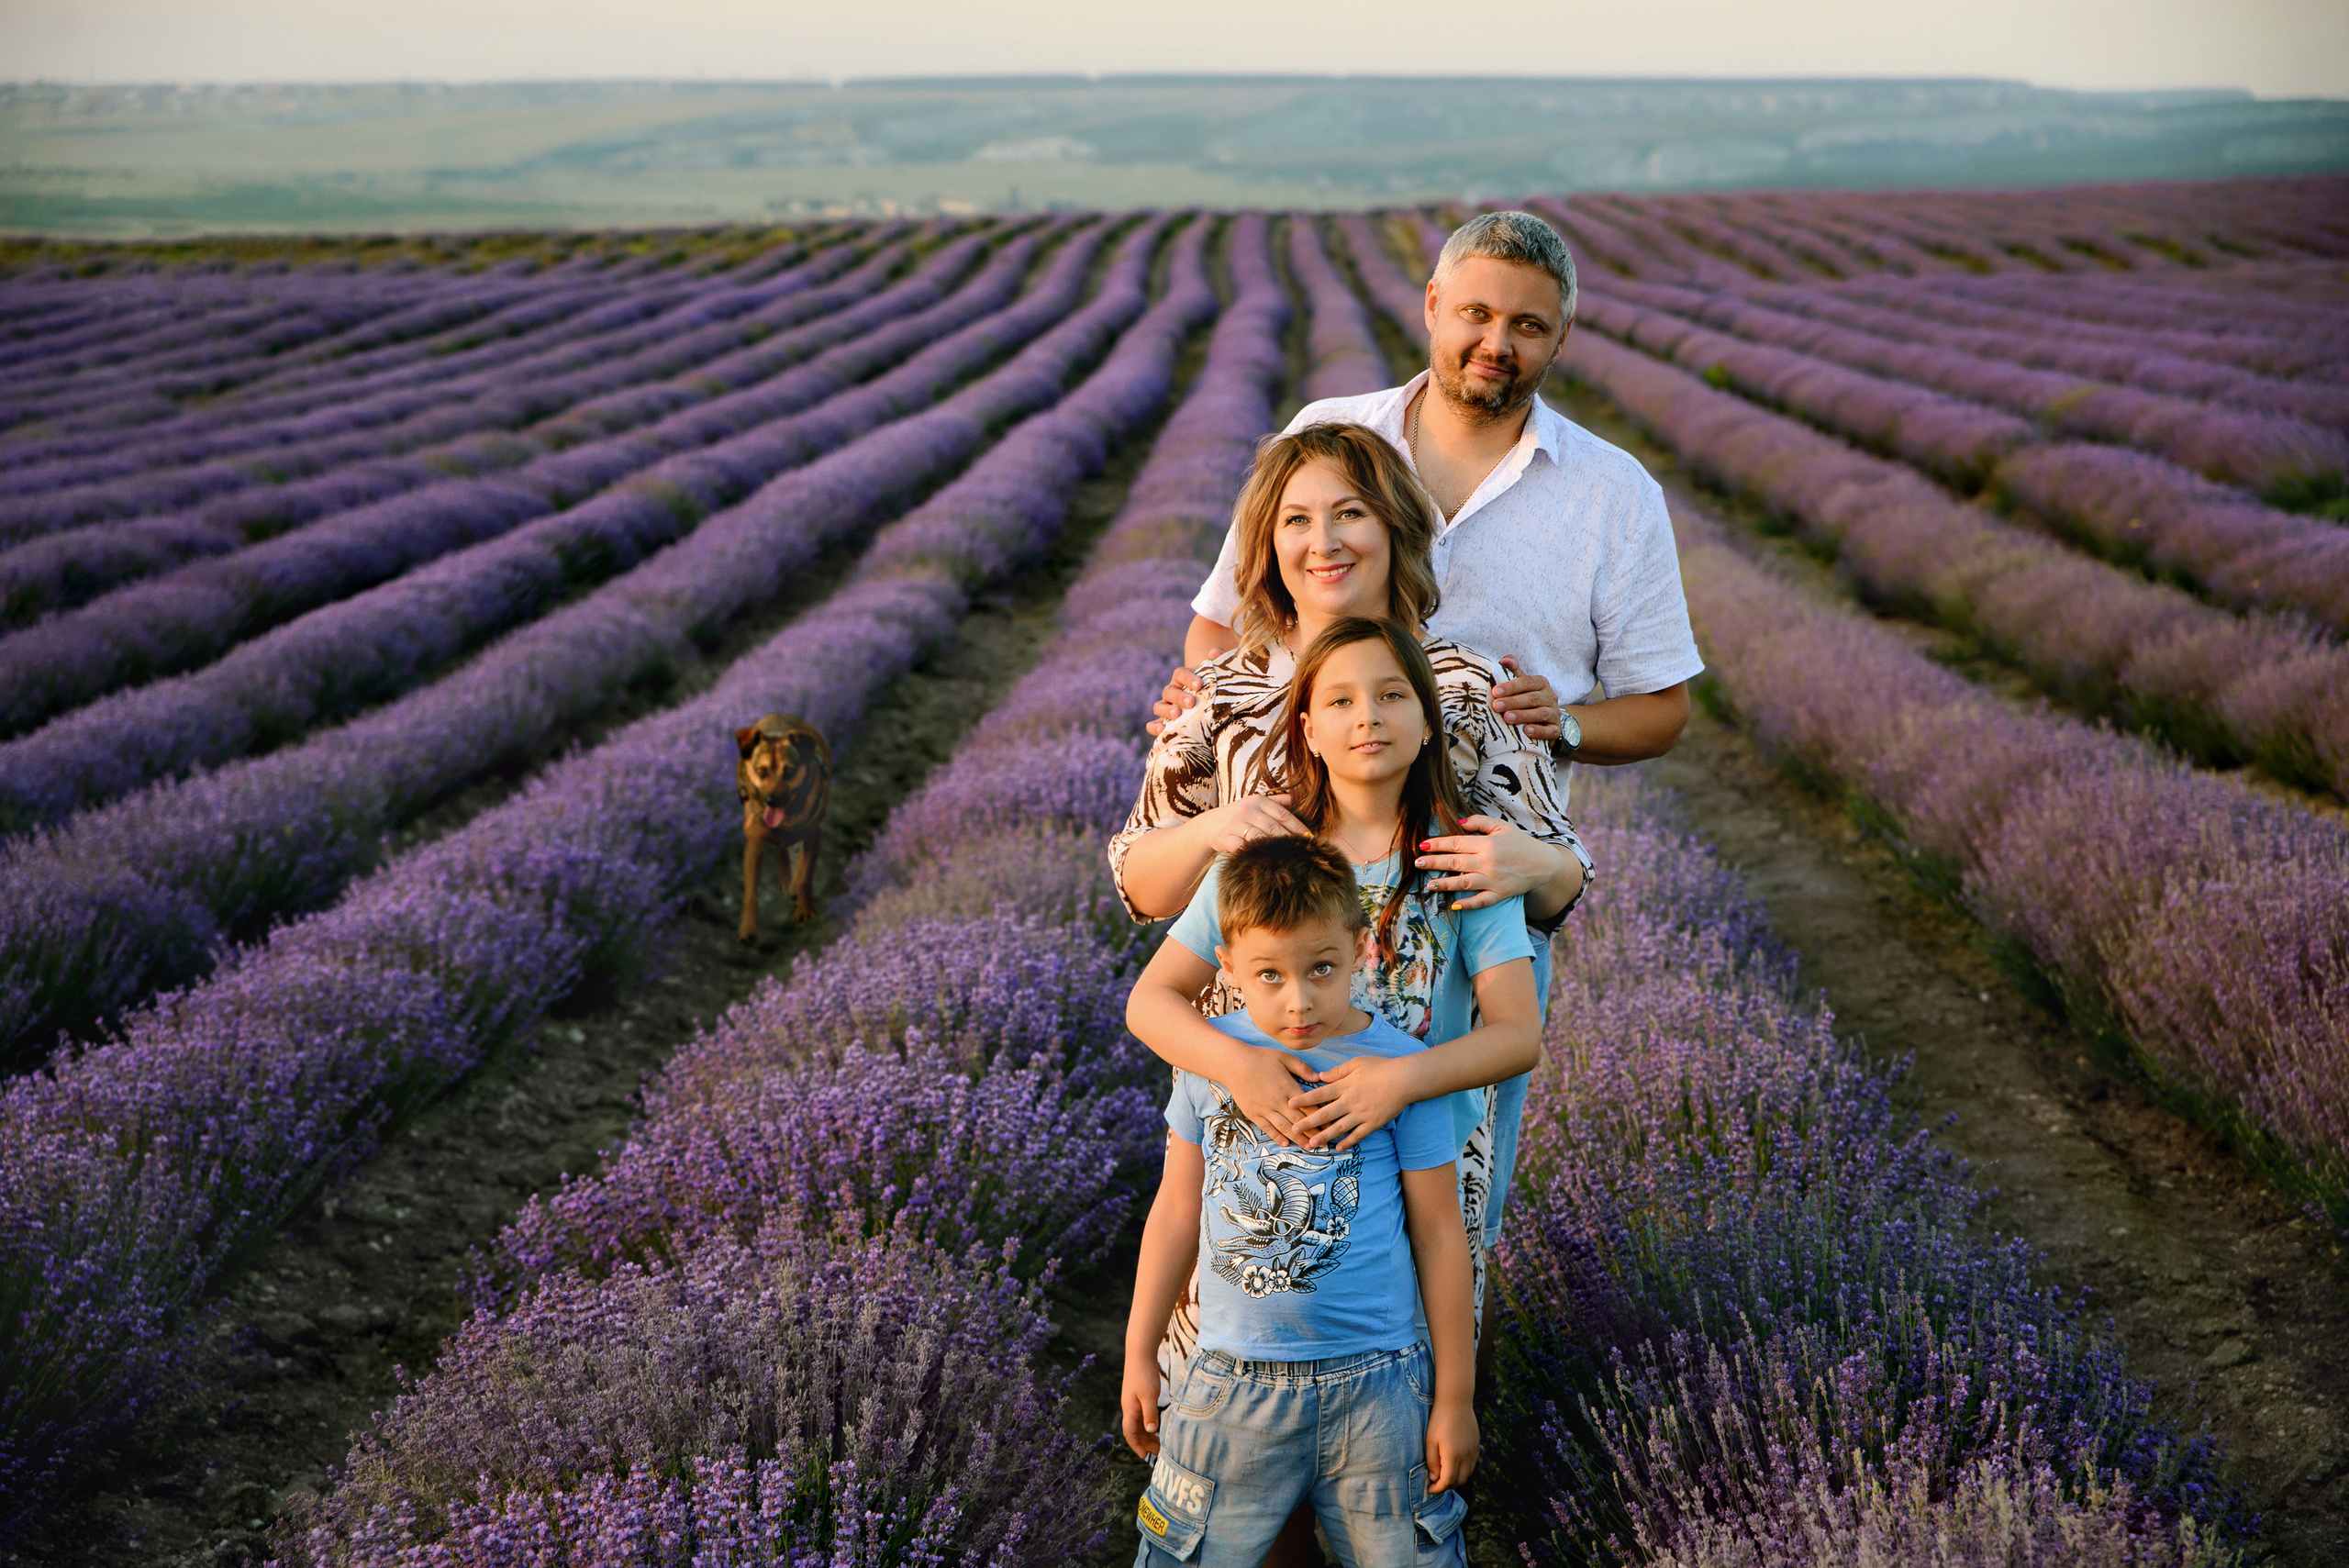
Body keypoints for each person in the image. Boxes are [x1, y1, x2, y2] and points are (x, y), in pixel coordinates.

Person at [1156, 208, 1701, 783]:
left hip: (1492, 853)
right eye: (1477, 314)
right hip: (1306, 833)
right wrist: (1209, 709)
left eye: (1529, 325)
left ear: (1561, 338)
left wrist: (1562, 723)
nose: (1497, 344)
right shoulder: (1329, 436)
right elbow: (1220, 625)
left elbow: (1662, 712)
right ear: (1433, 305)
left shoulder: (1615, 493)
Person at [1120, 829, 1497, 1568]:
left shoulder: (1402, 1072)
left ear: (1361, 949)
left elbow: (1442, 1235)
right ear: (1226, 966)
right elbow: (1173, 1212)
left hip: (1381, 1387)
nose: (1299, 1001)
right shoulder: (1207, 1061)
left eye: (1323, 968)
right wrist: (1138, 1351)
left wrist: (1454, 1397)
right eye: (1268, 975)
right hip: (1230, 1385)